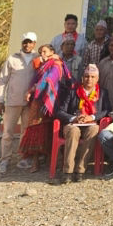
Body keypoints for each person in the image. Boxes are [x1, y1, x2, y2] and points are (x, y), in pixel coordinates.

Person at [18, 44, 71, 173]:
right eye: (41, 51)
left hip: (51, 101)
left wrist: (41, 86)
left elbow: (51, 79)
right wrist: (32, 90)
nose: (42, 54)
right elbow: (36, 81)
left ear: (52, 52)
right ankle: (36, 162)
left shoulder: (57, 64)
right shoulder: (42, 66)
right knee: (35, 129)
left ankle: (53, 162)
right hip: (39, 102)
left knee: (51, 130)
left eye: (45, 51)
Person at [54, 64, 111, 183]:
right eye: (86, 76)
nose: (89, 79)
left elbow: (107, 110)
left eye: (92, 77)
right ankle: (68, 171)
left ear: (97, 79)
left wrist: (92, 117)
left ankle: (80, 170)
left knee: (94, 129)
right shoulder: (72, 92)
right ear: (82, 78)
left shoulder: (102, 92)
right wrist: (74, 118)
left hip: (91, 123)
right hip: (73, 124)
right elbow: (59, 111)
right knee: (73, 131)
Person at [0, 32, 38, 175]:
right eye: (25, 42)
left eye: (30, 42)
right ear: (22, 43)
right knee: (7, 133)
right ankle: (5, 161)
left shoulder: (37, 59)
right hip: (12, 101)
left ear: (34, 44)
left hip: (29, 103)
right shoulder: (12, 59)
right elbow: (2, 80)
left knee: (25, 132)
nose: (27, 45)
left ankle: (23, 158)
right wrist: (0, 100)